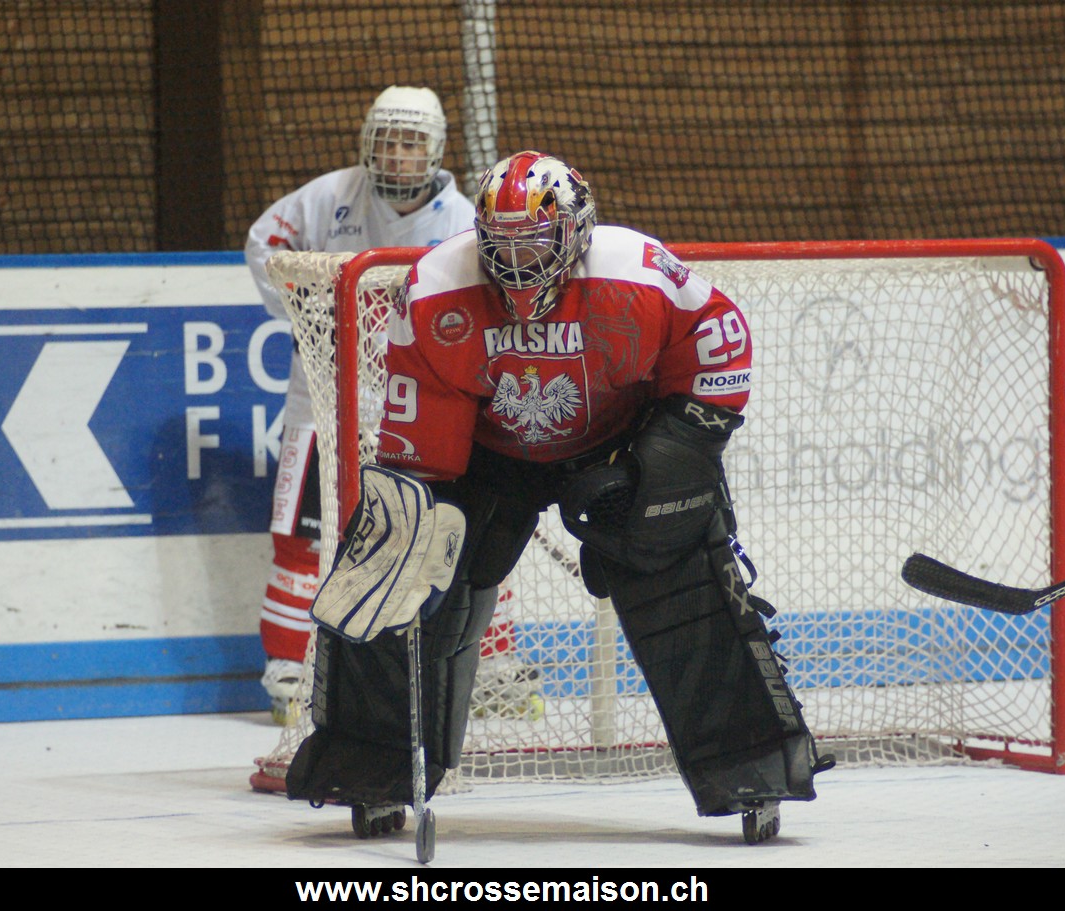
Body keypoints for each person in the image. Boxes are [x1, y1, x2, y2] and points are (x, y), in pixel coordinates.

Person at [283, 150, 832, 843]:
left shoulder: (636, 270)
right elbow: (425, 436)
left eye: (534, 243)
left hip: (619, 444)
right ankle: (371, 765)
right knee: (399, 563)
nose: (515, 263)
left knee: (685, 575)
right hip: (485, 451)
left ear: (575, 232)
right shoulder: (434, 289)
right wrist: (415, 524)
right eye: (501, 244)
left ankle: (753, 765)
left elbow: (717, 349)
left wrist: (667, 457)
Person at [244, 86, 537, 731]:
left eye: (411, 143)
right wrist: (303, 302)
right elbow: (264, 241)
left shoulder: (462, 221)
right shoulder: (328, 196)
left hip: (419, 406)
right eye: (387, 140)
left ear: (434, 151)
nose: (398, 155)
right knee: (304, 536)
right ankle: (290, 668)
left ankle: (490, 662)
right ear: (368, 143)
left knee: (464, 531)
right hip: (322, 403)